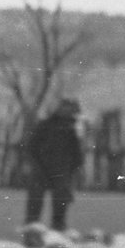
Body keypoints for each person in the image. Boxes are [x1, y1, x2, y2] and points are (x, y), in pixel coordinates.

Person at [23, 98, 85, 231]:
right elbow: (31, 148)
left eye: (72, 111)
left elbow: (78, 156)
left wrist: (71, 173)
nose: (69, 113)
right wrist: (37, 167)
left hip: (61, 173)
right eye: (66, 109)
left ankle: (57, 233)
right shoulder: (45, 125)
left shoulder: (72, 130)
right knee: (34, 207)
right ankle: (31, 233)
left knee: (60, 209)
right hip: (40, 170)